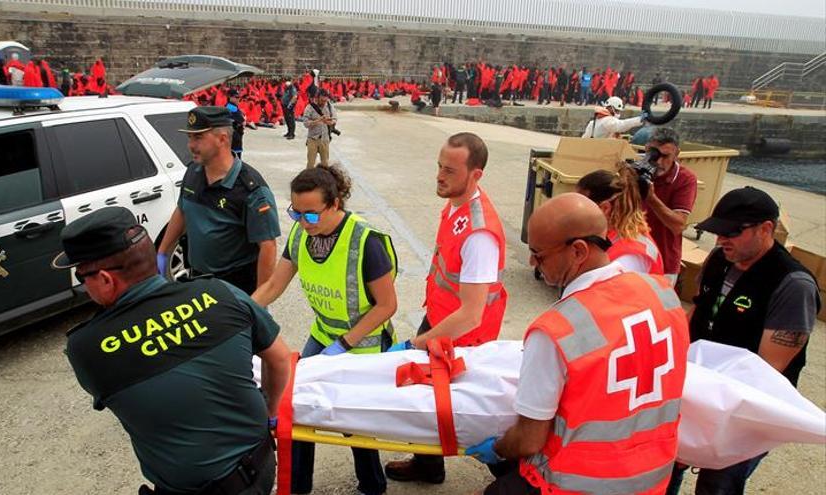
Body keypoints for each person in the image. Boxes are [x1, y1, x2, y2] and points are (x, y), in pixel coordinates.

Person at [52, 206, 291, 495]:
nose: (83, 286)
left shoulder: (86, 348)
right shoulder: (219, 292)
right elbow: (279, 359)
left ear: (105, 279)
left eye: (82, 277)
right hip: (262, 464)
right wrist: (269, 412)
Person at [467, 193, 689, 495]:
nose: (533, 262)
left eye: (539, 254)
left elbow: (530, 440)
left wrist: (499, 447)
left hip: (575, 485)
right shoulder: (662, 294)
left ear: (578, 251)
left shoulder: (556, 331)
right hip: (651, 478)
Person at [666, 187, 821, 495]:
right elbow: (698, 310)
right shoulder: (719, 258)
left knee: (719, 483)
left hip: (743, 408)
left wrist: (707, 418)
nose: (721, 240)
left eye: (731, 233)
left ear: (766, 229)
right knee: (666, 466)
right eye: (717, 232)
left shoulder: (793, 286)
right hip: (697, 391)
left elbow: (766, 370)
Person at [252, 165, 396, 495]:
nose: (303, 223)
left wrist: (344, 344)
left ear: (334, 204)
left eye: (312, 215)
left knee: (352, 422)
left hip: (362, 344)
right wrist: (240, 312)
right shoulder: (302, 233)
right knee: (297, 410)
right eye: (296, 213)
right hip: (323, 335)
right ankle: (298, 487)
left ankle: (373, 485)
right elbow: (274, 284)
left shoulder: (365, 241)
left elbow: (387, 306)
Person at [385, 132, 508, 485]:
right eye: (439, 166)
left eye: (450, 170)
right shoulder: (456, 202)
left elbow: (472, 314)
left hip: (465, 333)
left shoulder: (479, 232)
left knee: (465, 412)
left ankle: (513, 474)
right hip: (440, 317)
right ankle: (427, 465)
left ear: (476, 175)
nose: (440, 175)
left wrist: (417, 344)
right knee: (426, 396)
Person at [157, 107, 281, 295]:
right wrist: (162, 252)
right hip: (198, 278)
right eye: (189, 137)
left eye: (198, 138)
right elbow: (182, 211)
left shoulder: (251, 190)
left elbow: (268, 247)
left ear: (222, 139)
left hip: (235, 287)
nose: (190, 145)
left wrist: (259, 301)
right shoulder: (193, 172)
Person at [577, 167, 664, 274]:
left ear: (605, 208)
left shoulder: (628, 260)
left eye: (581, 206)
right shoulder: (614, 233)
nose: (575, 212)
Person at [641, 127, 697, 285]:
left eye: (665, 156)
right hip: (634, 256)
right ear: (646, 149)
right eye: (653, 154)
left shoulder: (685, 179)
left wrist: (651, 198)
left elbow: (679, 225)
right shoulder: (638, 170)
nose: (658, 161)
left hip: (663, 263)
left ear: (676, 154)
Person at [581, 96, 648, 139]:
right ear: (610, 108)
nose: (618, 113)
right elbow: (621, 125)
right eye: (617, 111)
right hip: (597, 152)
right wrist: (639, 119)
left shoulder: (595, 120)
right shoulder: (607, 120)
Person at [303, 89, 336, 169]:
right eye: (322, 100)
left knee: (325, 164)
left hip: (325, 139)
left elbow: (335, 119)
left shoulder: (329, 106)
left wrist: (329, 122)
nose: (323, 103)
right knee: (311, 164)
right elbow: (305, 123)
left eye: (325, 100)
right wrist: (318, 120)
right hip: (313, 139)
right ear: (317, 98)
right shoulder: (310, 107)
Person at [226, 89, 246, 159]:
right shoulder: (232, 108)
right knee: (236, 158)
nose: (238, 99)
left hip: (233, 135)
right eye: (236, 97)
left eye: (239, 97)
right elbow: (243, 122)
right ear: (230, 97)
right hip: (234, 136)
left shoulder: (231, 106)